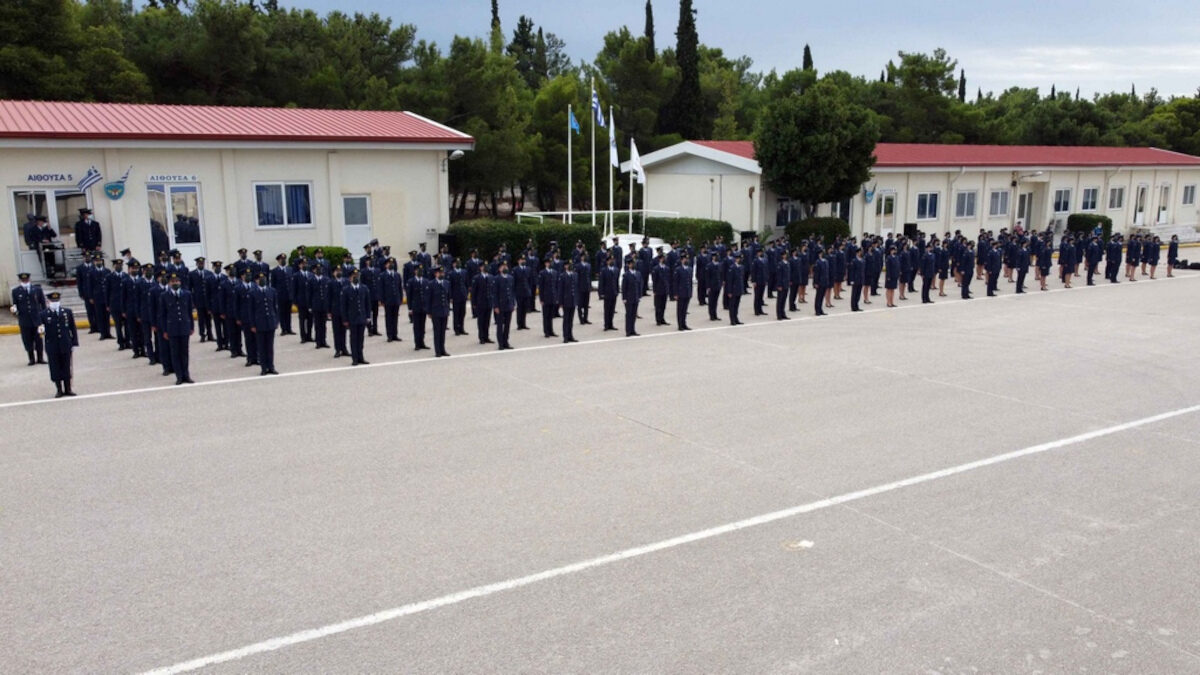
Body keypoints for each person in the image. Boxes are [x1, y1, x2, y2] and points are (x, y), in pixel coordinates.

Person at [37, 291, 78, 397]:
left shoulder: (67, 312)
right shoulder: (43, 314)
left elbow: (72, 328)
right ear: (48, 302)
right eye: (52, 301)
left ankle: (68, 388)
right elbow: (40, 331)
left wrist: (74, 343)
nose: (55, 303)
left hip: (65, 343)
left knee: (66, 366)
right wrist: (41, 331)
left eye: (56, 301)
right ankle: (59, 389)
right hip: (52, 345)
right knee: (55, 367)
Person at [160, 273, 194, 385]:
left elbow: (189, 312)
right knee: (175, 353)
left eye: (177, 281)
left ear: (180, 282)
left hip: (184, 327)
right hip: (172, 328)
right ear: (169, 283)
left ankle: (186, 375)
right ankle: (179, 376)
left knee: (184, 352)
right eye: (173, 281)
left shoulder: (187, 294)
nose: (175, 283)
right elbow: (163, 315)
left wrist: (191, 326)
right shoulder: (164, 296)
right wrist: (165, 330)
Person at [11, 272, 46, 365]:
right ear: (20, 280)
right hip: (24, 319)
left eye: (26, 280)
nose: (25, 281)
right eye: (23, 280)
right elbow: (15, 304)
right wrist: (14, 311)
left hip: (37, 318)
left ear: (29, 279)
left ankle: (40, 358)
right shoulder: (16, 291)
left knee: (39, 339)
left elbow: (43, 304)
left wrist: (44, 316)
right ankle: (31, 358)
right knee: (27, 339)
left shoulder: (37, 289)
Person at [250, 273, 279, 375]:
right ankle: (264, 368)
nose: (262, 280)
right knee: (261, 347)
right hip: (259, 323)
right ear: (256, 281)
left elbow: (275, 307)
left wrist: (276, 321)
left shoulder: (272, 291)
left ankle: (271, 366)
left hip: (270, 322)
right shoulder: (253, 293)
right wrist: (253, 325)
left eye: (264, 278)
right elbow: (251, 311)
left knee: (270, 346)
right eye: (260, 279)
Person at [341, 269, 371, 365]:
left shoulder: (364, 288)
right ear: (350, 278)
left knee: (361, 339)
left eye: (357, 275)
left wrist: (368, 316)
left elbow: (367, 303)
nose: (356, 277)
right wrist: (345, 319)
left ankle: (361, 357)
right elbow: (343, 306)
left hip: (362, 317)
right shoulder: (346, 290)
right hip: (352, 318)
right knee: (353, 338)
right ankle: (355, 358)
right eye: (354, 276)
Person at [425, 266, 452, 357]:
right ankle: (437, 351)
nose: (442, 274)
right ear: (436, 274)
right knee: (437, 331)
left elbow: (448, 297)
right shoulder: (431, 284)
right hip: (435, 311)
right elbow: (428, 299)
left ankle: (443, 349)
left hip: (444, 310)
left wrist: (448, 309)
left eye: (442, 273)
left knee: (443, 331)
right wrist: (429, 312)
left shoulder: (447, 283)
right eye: (440, 273)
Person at [491, 263, 516, 350]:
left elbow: (512, 292)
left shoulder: (510, 278)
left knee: (507, 325)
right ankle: (500, 343)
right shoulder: (496, 279)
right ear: (499, 269)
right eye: (503, 267)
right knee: (500, 325)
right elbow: (494, 294)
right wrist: (495, 306)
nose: (505, 268)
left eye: (506, 266)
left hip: (509, 304)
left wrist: (513, 303)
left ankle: (506, 342)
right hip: (500, 305)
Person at [379, 257, 405, 341]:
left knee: (395, 318)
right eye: (389, 263)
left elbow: (399, 288)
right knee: (389, 318)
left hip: (396, 299)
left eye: (392, 263)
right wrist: (382, 300)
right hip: (388, 300)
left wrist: (401, 298)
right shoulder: (383, 275)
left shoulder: (397, 275)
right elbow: (381, 289)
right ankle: (389, 335)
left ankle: (395, 334)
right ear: (386, 265)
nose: (391, 264)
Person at [270, 254, 294, 336]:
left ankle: (289, 328)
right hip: (280, 295)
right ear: (278, 260)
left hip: (289, 295)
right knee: (282, 313)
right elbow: (273, 285)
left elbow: (291, 283)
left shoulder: (290, 269)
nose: (283, 260)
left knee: (288, 312)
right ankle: (284, 329)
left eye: (284, 259)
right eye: (281, 259)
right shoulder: (275, 271)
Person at [407, 266, 429, 350]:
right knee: (416, 326)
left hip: (424, 307)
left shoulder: (426, 281)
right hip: (415, 307)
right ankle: (417, 344)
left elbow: (427, 295)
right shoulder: (411, 281)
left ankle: (422, 342)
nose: (420, 271)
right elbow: (409, 296)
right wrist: (410, 308)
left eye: (421, 270)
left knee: (422, 326)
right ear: (415, 271)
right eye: (418, 270)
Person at [309, 265, 331, 349]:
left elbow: (328, 293)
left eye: (320, 269)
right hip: (316, 305)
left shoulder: (326, 279)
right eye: (317, 269)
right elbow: (309, 294)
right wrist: (310, 306)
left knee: (323, 324)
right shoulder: (311, 280)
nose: (319, 270)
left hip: (324, 305)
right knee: (317, 324)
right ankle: (318, 342)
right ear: (314, 270)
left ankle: (323, 341)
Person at [471, 263, 494, 343]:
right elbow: (474, 292)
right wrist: (474, 303)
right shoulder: (476, 278)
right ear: (480, 268)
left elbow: (492, 290)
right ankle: (481, 337)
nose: (486, 268)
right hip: (480, 302)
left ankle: (486, 336)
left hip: (489, 302)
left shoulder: (491, 277)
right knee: (481, 321)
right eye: (484, 267)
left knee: (487, 320)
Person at [558, 261, 579, 343]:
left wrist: (577, 300)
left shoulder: (575, 274)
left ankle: (570, 335)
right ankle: (565, 336)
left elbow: (576, 288)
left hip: (573, 300)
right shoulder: (562, 276)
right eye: (568, 265)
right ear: (565, 266)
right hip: (566, 300)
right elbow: (560, 290)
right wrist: (560, 302)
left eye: (570, 265)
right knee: (566, 319)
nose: (570, 266)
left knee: (571, 319)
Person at [538, 259, 559, 338]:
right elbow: (541, 287)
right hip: (546, 297)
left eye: (550, 263)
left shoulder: (554, 272)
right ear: (545, 264)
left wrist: (557, 297)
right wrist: (541, 299)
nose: (549, 264)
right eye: (547, 263)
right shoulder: (542, 273)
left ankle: (551, 330)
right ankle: (546, 331)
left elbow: (556, 286)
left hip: (553, 296)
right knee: (546, 315)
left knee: (551, 315)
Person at [448, 258, 469, 336]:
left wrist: (467, 293)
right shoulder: (451, 273)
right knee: (456, 313)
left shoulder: (464, 272)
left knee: (463, 312)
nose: (458, 264)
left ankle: (461, 328)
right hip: (455, 295)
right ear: (453, 264)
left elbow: (466, 283)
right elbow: (450, 286)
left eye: (459, 262)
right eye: (456, 263)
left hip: (463, 294)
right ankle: (456, 329)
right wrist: (450, 297)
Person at [622, 258, 642, 336]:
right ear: (628, 265)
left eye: (633, 263)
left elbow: (639, 285)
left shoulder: (638, 273)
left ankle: (633, 329)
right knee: (629, 314)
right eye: (631, 263)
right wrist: (624, 298)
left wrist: (639, 296)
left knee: (634, 315)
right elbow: (624, 287)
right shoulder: (626, 275)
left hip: (636, 297)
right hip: (629, 297)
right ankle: (628, 331)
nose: (633, 265)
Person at [674, 253, 694, 330]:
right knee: (680, 309)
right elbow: (675, 282)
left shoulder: (690, 269)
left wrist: (691, 292)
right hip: (680, 292)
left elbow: (690, 281)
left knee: (685, 309)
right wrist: (676, 293)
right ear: (682, 260)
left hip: (687, 291)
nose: (686, 260)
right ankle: (680, 325)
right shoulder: (678, 269)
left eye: (687, 259)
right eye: (685, 259)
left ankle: (684, 323)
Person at [599, 256, 619, 331]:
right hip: (607, 292)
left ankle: (611, 324)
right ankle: (606, 325)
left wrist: (617, 290)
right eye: (610, 260)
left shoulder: (616, 269)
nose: (611, 261)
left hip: (614, 292)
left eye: (612, 260)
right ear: (607, 262)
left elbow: (616, 281)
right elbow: (601, 282)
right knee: (607, 310)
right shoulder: (604, 270)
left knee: (612, 309)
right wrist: (601, 293)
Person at [652, 254, 672, 325]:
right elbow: (654, 280)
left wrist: (668, 288)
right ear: (660, 259)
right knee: (658, 306)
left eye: (664, 258)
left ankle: (662, 318)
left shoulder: (667, 268)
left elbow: (668, 279)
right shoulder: (656, 268)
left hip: (665, 289)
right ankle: (658, 320)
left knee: (663, 306)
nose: (664, 260)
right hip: (658, 289)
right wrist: (654, 290)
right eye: (663, 258)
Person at [576, 254, 592, 325]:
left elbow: (589, 276)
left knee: (586, 304)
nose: (584, 257)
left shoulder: (588, 265)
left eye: (585, 256)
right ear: (580, 257)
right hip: (580, 287)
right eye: (582, 256)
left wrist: (590, 285)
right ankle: (581, 319)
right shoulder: (578, 266)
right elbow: (577, 277)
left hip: (587, 287)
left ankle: (585, 318)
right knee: (580, 304)